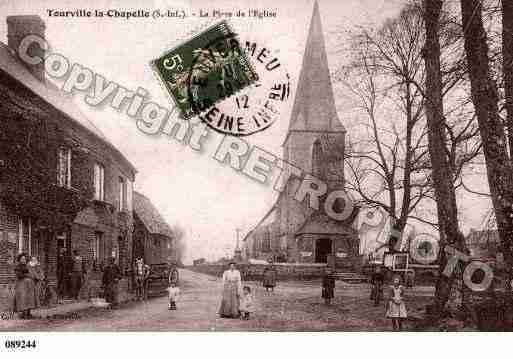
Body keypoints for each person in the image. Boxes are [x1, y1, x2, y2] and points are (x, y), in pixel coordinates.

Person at [13, 253, 37, 319]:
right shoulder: (18, 266)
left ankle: (29, 313)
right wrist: (27, 275)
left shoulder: (27, 266)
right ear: (19, 260)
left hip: (29, 286)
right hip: (21, 285)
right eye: (22, 259)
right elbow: (19, 275)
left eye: (25, 259)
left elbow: (32, 273)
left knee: (30, 298)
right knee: (23, 298)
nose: (24, 260)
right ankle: (23, 314)